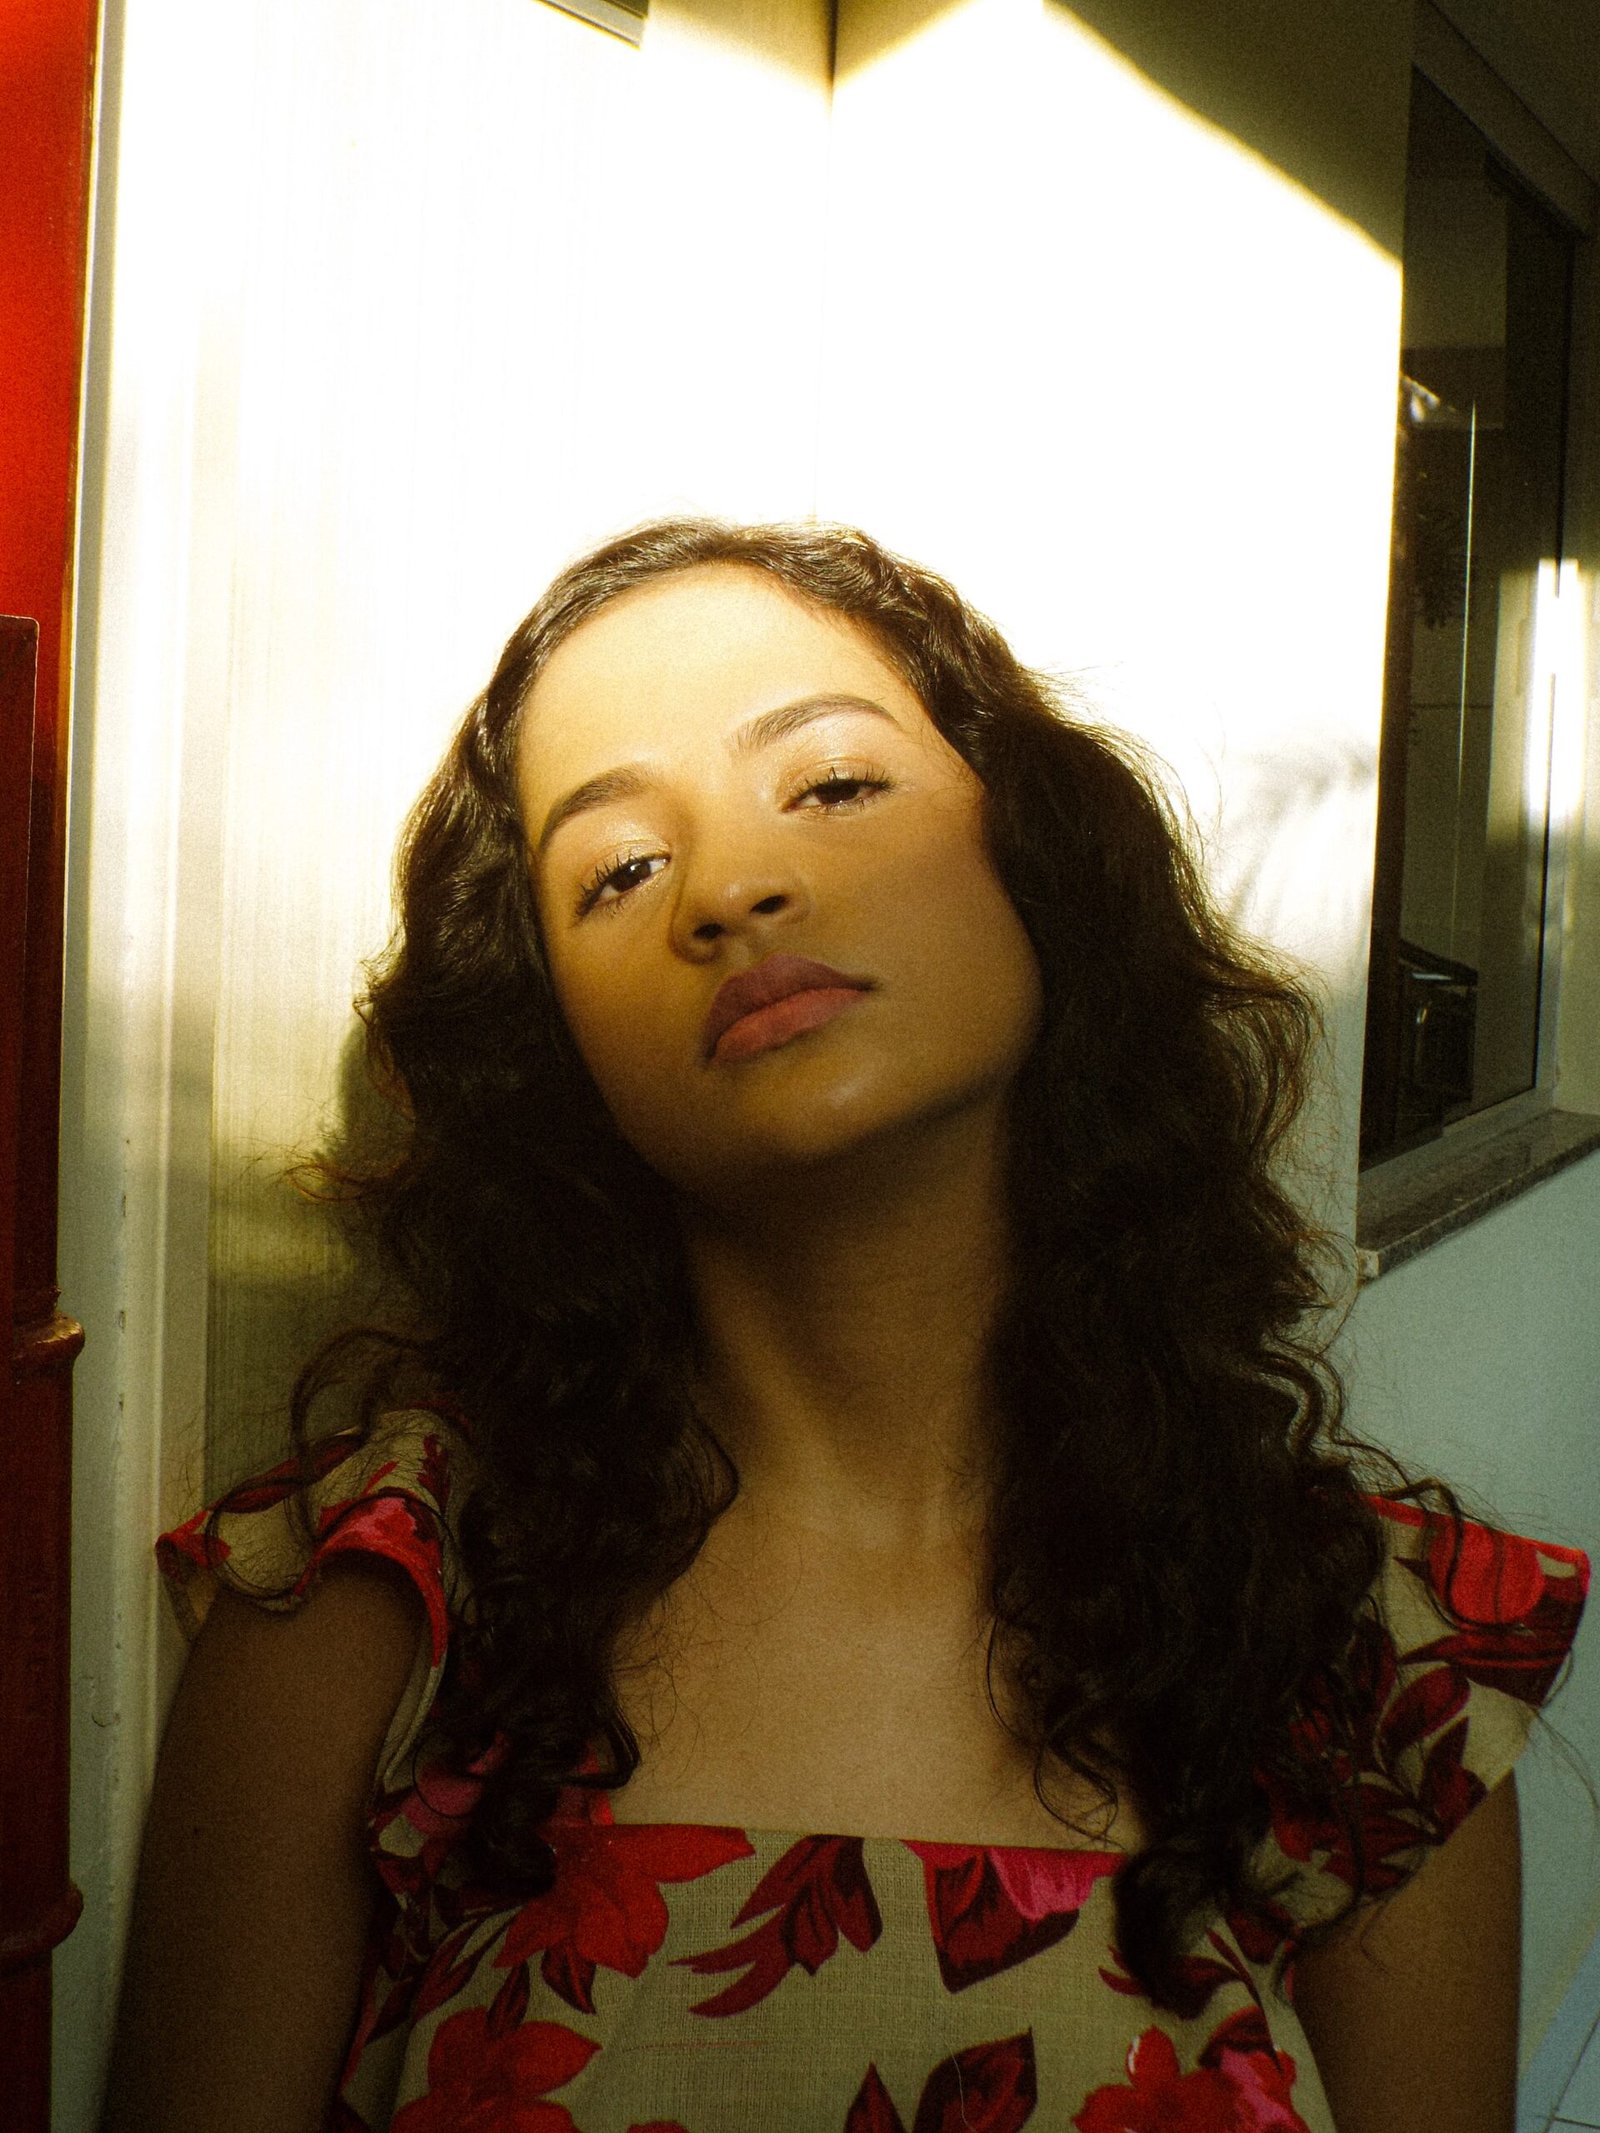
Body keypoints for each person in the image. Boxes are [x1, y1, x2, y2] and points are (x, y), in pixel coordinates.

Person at [104, 518, 1589, 2133]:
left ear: (1028, 851)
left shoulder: (1368, 1673)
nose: (734, 886)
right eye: (618, 870)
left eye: (830, 784)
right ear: (552, 1038)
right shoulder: (367, 1620)